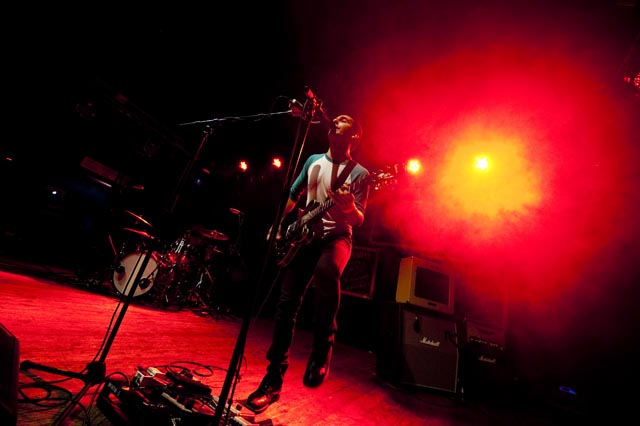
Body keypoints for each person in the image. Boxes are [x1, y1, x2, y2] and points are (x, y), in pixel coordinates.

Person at [246, 113, 370, 414]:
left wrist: (349, 207)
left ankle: (322, 350)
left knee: (327, 271)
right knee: (286, 304)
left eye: (344, 120)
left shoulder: (360, 173)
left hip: (337, 237)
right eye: (335, 119)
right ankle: (272, 380)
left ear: (353, 136)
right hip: (304, 236)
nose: (337, 119)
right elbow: (294, 195)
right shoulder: (313, 160)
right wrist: (280, 225)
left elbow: (359, 219)